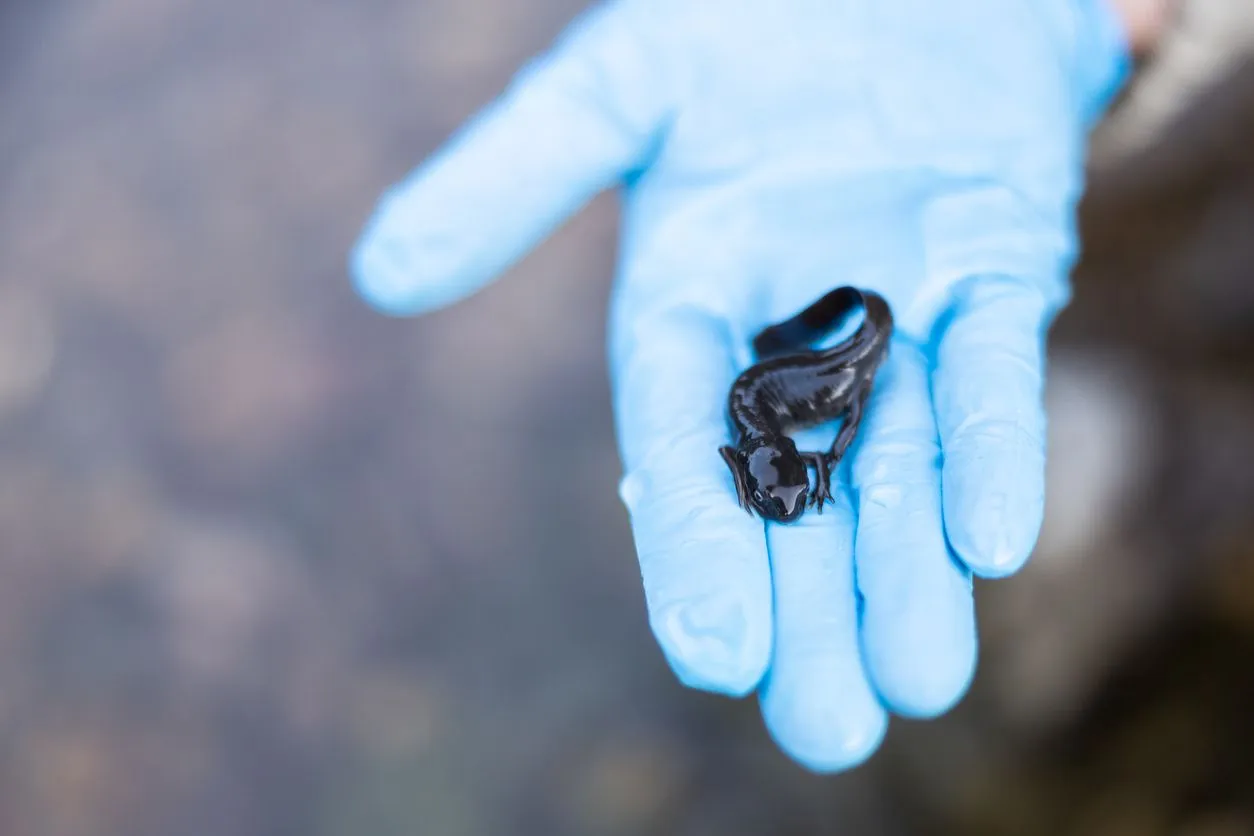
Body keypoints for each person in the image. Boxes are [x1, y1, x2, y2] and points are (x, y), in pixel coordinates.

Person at [349, 0, 1170, 772]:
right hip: (781, 390)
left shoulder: (771, 448)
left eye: (774, 488)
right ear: (770, 469)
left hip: (829, 370)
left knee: (865, 360)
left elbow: (759, 454)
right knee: (827, 381)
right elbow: (741, 455)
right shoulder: (758, 451)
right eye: (778, 488)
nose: (777, 493)